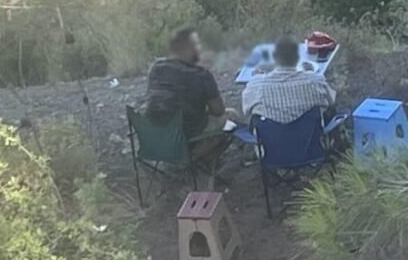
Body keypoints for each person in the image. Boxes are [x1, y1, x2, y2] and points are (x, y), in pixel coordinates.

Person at [142, 27, 229, 172]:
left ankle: (183, 160)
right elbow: (218, 111)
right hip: (186, 134)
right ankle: (190, 159)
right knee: (229, 117)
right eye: (196, 45)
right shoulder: (202, 75)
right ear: (188, 49)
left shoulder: (156, 67)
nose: (199, 49)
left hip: (155, 133)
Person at [242, 36, 336, 124]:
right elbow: (331, 101)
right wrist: (310, 73)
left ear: (274, 58)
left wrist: (258, 77)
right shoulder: (315, 80)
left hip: (270, 135)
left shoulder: (256, 85)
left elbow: (246, 110)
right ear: (298, 58)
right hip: (309, 134)